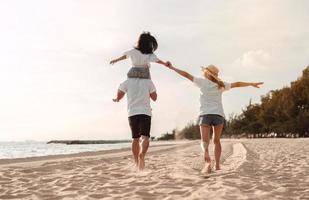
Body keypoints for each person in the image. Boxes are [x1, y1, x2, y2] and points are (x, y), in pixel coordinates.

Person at [167, 64, 263, 173]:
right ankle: (217, 165)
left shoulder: (202, 82)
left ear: (207, 73)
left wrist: (173, 68)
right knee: (217, 141)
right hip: (218, 115)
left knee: (204, 141)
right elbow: (237, 84)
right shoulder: (221, 85)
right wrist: (251, 84)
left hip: (205, 115)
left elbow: (186, 74)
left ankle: (206, 155)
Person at [112, 78, 157, 170]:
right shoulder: (148, 81)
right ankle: (142, 155)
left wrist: (117, 99)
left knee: (135, 138)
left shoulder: (127, 82)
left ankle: (137, 163)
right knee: (145, 137)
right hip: (145, 112)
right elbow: (154, 98)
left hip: (132, 113)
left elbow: (119, 95)